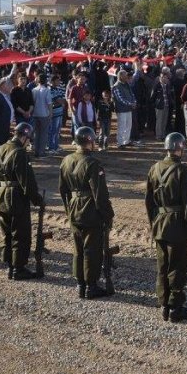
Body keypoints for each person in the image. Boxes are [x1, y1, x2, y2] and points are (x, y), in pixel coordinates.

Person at [145, 133, 187, 321]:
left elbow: (149, 202)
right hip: (178, 225)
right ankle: (176, 308)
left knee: (163, 266)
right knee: (177, 267)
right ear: (181, 148)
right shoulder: (184, 171)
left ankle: (164, 305)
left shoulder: (154, 168)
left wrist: (153, 224)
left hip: (159, 223)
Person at [59, 126, 115, 299]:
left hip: (74, 207)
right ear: (90, 142)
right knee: (92, 249)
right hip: (90, 210)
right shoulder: (92, 163)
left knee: (78, 248)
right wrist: (108, 215)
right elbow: (100, 194)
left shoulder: (66, 160)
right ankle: (91, 286)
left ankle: (80, 284)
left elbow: (63, 190)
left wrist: (69, 210)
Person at [0, 122, 44, 280]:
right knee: (20, 234)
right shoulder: (20, 153)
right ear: (24, 137)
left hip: (2, 195)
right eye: (29, 139)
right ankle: (18, 268)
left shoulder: (0, 149)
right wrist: (37, 200)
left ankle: (10, 265)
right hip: (16, 198)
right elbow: (27, 181)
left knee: (7, 233)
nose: (29, 142)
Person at [31, 73, 52, 158]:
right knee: (43, 134)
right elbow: (49, 103)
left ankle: (36, 151)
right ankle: (41, 152)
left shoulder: (34, 90)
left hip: (35, 114)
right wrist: (51, 113)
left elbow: (32, 102)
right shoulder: (47, 90)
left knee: (36, 133)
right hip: (44, 114)